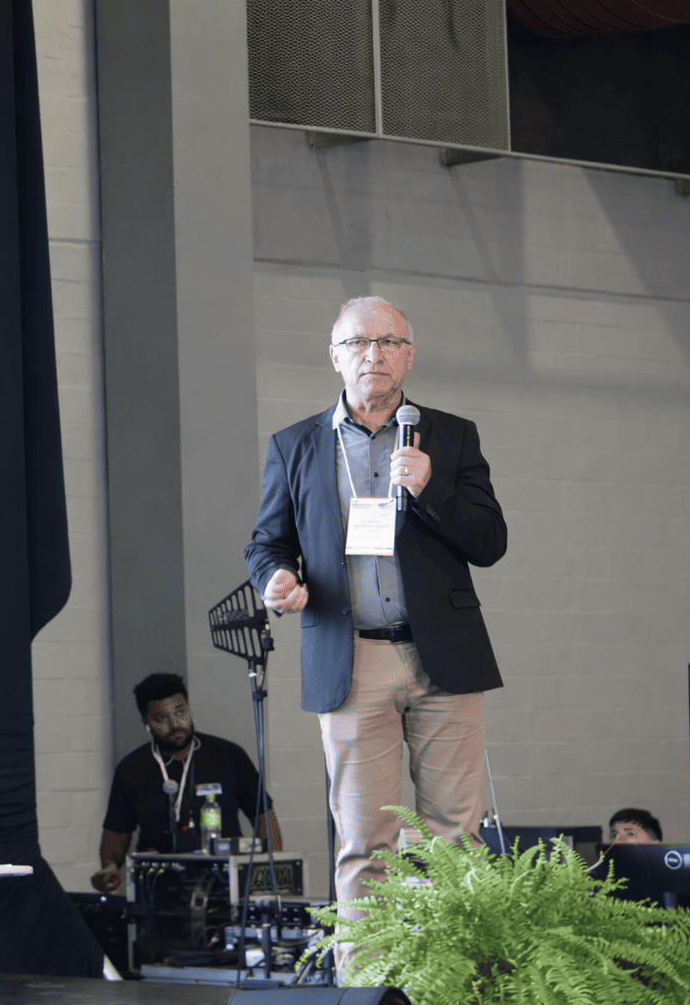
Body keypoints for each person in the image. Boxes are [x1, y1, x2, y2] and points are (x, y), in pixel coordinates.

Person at [243, 296, 506, 956]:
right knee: (365, 843)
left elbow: (489, 541)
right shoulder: (295, 444)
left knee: (457, 840)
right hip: (352, 657)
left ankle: (455, 988)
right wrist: (275, 579)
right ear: (335, 356)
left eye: (389, 342)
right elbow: (267, 543)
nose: (374, 354)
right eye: (359, 343)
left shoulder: (451, 436)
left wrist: (430, 489)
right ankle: (366, 990)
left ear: (409, 356)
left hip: (444, 654)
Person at [91, 673, 283, 893]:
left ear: (189, 709)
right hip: (157, 890)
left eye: (180, 712)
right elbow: (116, 834)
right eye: (160, 718)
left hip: (226, 885)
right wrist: (110, 865)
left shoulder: (229, 756)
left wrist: (269, 871)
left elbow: (264, 818)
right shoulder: (131, 769)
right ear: (146, 723)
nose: (174, 724)